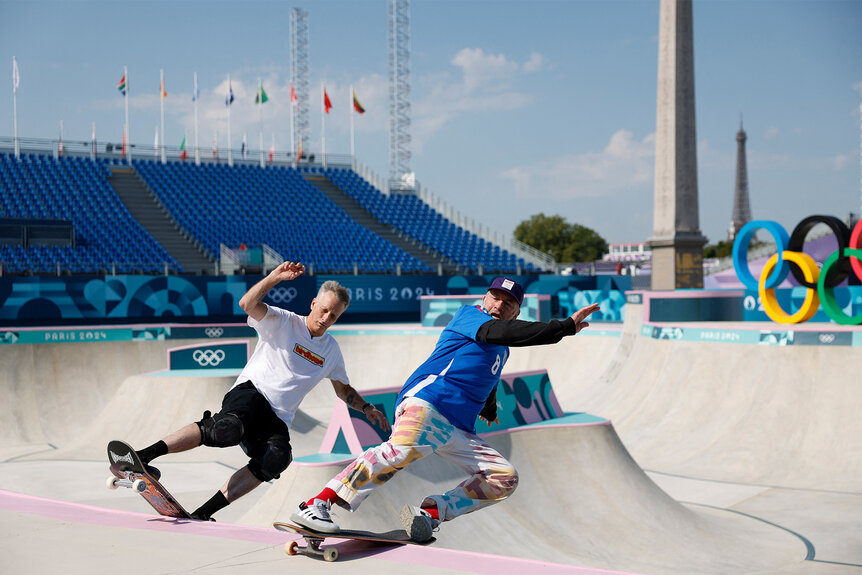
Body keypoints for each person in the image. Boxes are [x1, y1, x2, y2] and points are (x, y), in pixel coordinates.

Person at [290, 276, 600, 541]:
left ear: (517, 310)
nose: (498, 306)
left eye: (507, 304)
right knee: (399, 451)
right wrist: (564, 327)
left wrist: (489, 408)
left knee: (504, 477)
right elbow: (500, 332)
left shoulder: (501, 350)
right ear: (484, 298)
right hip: (428, 404)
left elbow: (486, 375)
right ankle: (318, 504)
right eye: (495, 298)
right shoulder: (470, 316)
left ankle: (431, 512)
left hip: (457, 428)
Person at [134, 261, 389, 521]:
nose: (326, 319)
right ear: (313, 304)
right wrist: (274, 277)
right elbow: (246, 304)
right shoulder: (283, 321)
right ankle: (144, 457)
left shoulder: (331, 350)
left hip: (277, 417)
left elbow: (343, 389)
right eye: (323, 310)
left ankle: (203, 513)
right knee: (226, 430)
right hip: (251, 393)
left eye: (333, 316)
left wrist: (367, 408)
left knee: (276, 459)